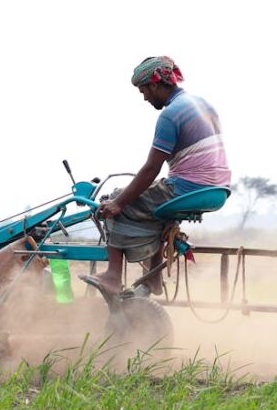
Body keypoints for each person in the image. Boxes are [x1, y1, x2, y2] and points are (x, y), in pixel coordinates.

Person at [83, 56, 231, 297]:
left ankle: (112, 275)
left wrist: (118, 204)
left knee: (117, 199)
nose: (144, 98)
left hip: (189, 187)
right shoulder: (202, 104)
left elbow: (152, 167)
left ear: (154, 85)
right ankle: (153, 278)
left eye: (143, 91)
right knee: (151, 206)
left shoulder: (170, 114)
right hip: (217, 188)